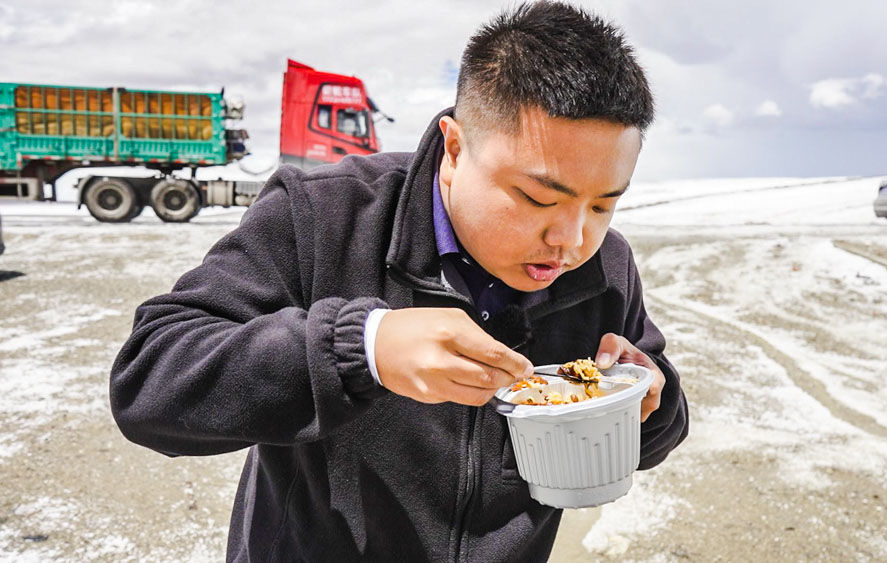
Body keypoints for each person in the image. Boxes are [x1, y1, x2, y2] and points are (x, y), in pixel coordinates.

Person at [109, 2, 688, 560]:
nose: (570, 239)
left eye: (602, 205)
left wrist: (645, 400)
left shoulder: (605, 267)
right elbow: (149, 381)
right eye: (538, 198)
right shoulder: (322, 215)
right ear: (455, 148)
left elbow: (661, 419)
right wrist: (362, 349)